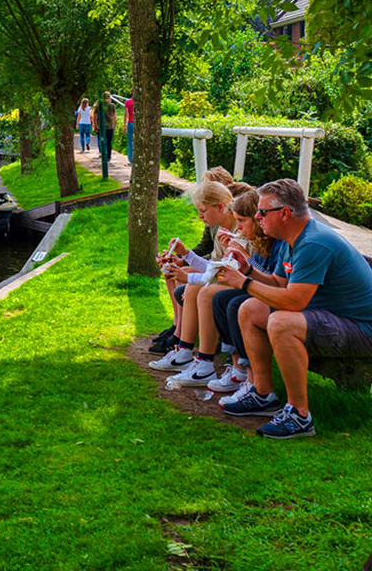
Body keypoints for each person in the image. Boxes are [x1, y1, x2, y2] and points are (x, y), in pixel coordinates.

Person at [218, 179, 372, 438]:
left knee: (281, 322)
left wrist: (243, 282)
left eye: (262, 212)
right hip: (335, 318)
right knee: (250, 309)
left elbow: (293, 301)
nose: (257, 217)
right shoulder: (292, 238)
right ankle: (263, 393)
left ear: (285, 214)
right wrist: (249, 270)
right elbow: (279, 283)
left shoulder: (313, 243)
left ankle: (299, 415)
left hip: (361, 328)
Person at [149, 180, 237, 382]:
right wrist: (185, 254)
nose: (200, 216)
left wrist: (187, 276)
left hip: (238, 284)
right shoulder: (220, 229)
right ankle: (183, 348)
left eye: (203, 211)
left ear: (221, 207)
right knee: (189, 280)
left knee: (199, 289)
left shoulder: (233, 229)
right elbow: (214, 267)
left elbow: (223, 271)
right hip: (231, 280)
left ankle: (201, 360)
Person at [203, 189, 286, 397]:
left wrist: (246, 260)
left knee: (237, 304)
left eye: (242, 221)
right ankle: (239, 368)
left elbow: (274, 280)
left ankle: (252, 378)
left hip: (285, 301)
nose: (238, 227)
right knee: (221, 299)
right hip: (272, 294)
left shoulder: (277, 241)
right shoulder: (262, 240)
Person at [90, 91, 117, 164]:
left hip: (101, 127)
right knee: (109, 142)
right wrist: (114, 125)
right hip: (110, 126)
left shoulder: (99, 105)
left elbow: (95, 117)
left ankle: (103, 155)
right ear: (109, 97)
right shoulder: (112, 105)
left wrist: (95, 126)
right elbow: (114, 117)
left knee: (102, 141)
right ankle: (108, 156)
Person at [124, 93, 135, 164]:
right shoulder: (141, 102)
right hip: (139, 124)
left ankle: (131, 159)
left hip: (131, 122)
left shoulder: (128, 102)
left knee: (130, 142)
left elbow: (126, 114)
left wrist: (124, 125)